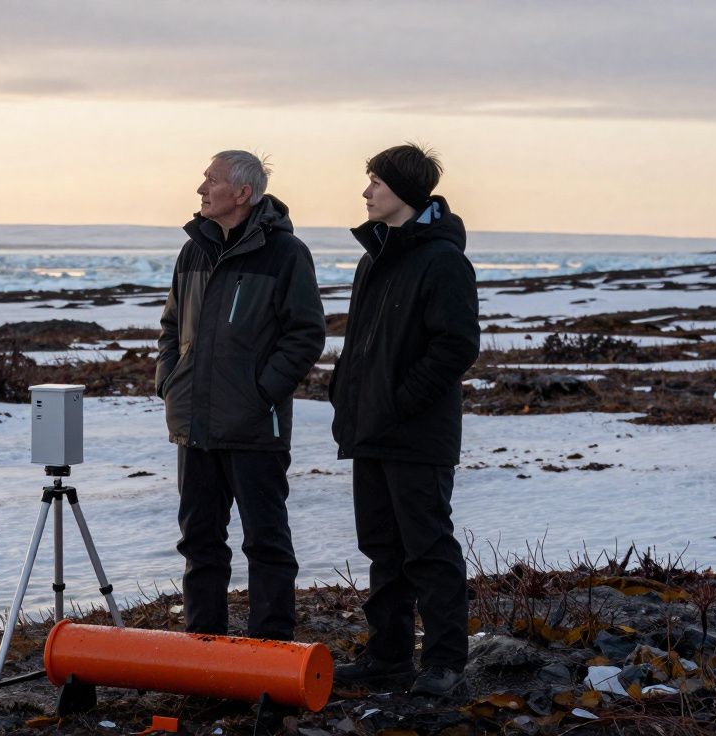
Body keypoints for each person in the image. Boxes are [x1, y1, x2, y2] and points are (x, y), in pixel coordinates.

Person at [328, 144, 480, 697]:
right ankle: (388, 656)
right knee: (382, 549)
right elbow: (361, 345)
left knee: (428, 548)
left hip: (417, 433)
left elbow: (456, 345)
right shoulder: (374, 258)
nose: (366, 192)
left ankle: (444, 662)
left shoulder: (442, 260)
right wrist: (346, 398)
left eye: (376, 182)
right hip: (370, 430)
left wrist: (399, 402)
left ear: (405, 192)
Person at [156, 150, 326, 641]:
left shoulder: (285, 253)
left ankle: (270, 651)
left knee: (266, 544)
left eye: (211, 180)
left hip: (254, 427)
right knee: (199, 544)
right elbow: (171, 327)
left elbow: (305, 335)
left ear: (243, 193)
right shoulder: (194, 250)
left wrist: (261, 393)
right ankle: (203, 647)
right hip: (195, 426)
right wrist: (169, 381)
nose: (201, 189)